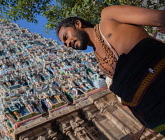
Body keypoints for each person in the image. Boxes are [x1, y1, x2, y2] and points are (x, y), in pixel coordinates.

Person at [57, 5, 165, 135]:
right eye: (64, 43)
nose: (67, 43)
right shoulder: (102, 65)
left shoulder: (109, 16)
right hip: (153, 111)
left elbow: (159, 18)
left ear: (78, 24)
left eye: (66, 36)